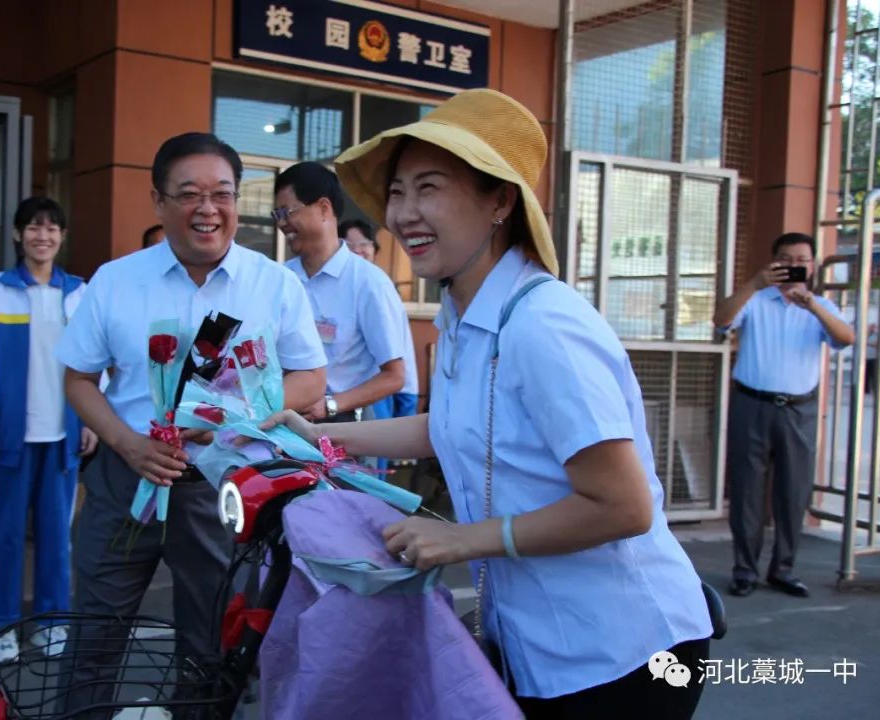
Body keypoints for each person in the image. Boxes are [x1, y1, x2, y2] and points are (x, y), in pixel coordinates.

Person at [263, 89, 713, 717]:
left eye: (430, 188)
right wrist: (325, 435)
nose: (404, 213)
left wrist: (463, 541)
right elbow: (452, 425)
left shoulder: (544, 325)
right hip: (543, 638)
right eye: (397, 192)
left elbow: (624, 506)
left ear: (500, 200)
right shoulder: (465, 310)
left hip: (625, 649)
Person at [55, 132, 326, 713]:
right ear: (158, 201)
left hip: (220, 488)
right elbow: (78, 379)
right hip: (122, 482)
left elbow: (311, 380)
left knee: (209, 643)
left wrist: (233, 417)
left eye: (222, 193)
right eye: (189, 194)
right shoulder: (115, 281)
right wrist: (127, 445)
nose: (208, 209)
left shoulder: (273, 284)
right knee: (94, 635)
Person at [0, 196, 98, 664]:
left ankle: (54, 622)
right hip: (8, 438)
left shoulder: (79, 293)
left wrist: (94, 419)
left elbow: (97, 362)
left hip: (63, 437)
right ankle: (0, 625)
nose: (43, 236)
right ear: (18, 235)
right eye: (34, 228)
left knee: (58, 537)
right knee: (7, 535)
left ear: (62, 236)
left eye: (52, 228)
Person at [713, 232, 854, 598]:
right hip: (752, 405)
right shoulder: (756, 300)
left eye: (803, 259)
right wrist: (754, 283)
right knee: (747, 492)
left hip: (799, 410)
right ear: (774, 261)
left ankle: (784, 570)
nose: (795, 264)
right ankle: (745, 570)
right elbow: (721, 319)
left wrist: (813, 307)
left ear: (812, 265)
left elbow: (846, 338)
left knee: (793, 493)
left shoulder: (822, 307)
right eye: (787, 257)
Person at [275, 162, 406, 424]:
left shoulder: (368, 282)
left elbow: (394, 376)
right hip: (282, 425)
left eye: (287, 212)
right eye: (276, 215)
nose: (282, 224)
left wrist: (331, 405)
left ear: (324, 209)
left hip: (344, 428)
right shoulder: (280, 279)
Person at [339, 218, 421, 468]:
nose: (358, 250)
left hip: (378, 399)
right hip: (338, 403)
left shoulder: (381, 287)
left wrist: (407, 411)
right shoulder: (334, 288)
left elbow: (403, 353)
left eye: (364, 244)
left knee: (372, 480)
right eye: (348, 245)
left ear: (375, 248)